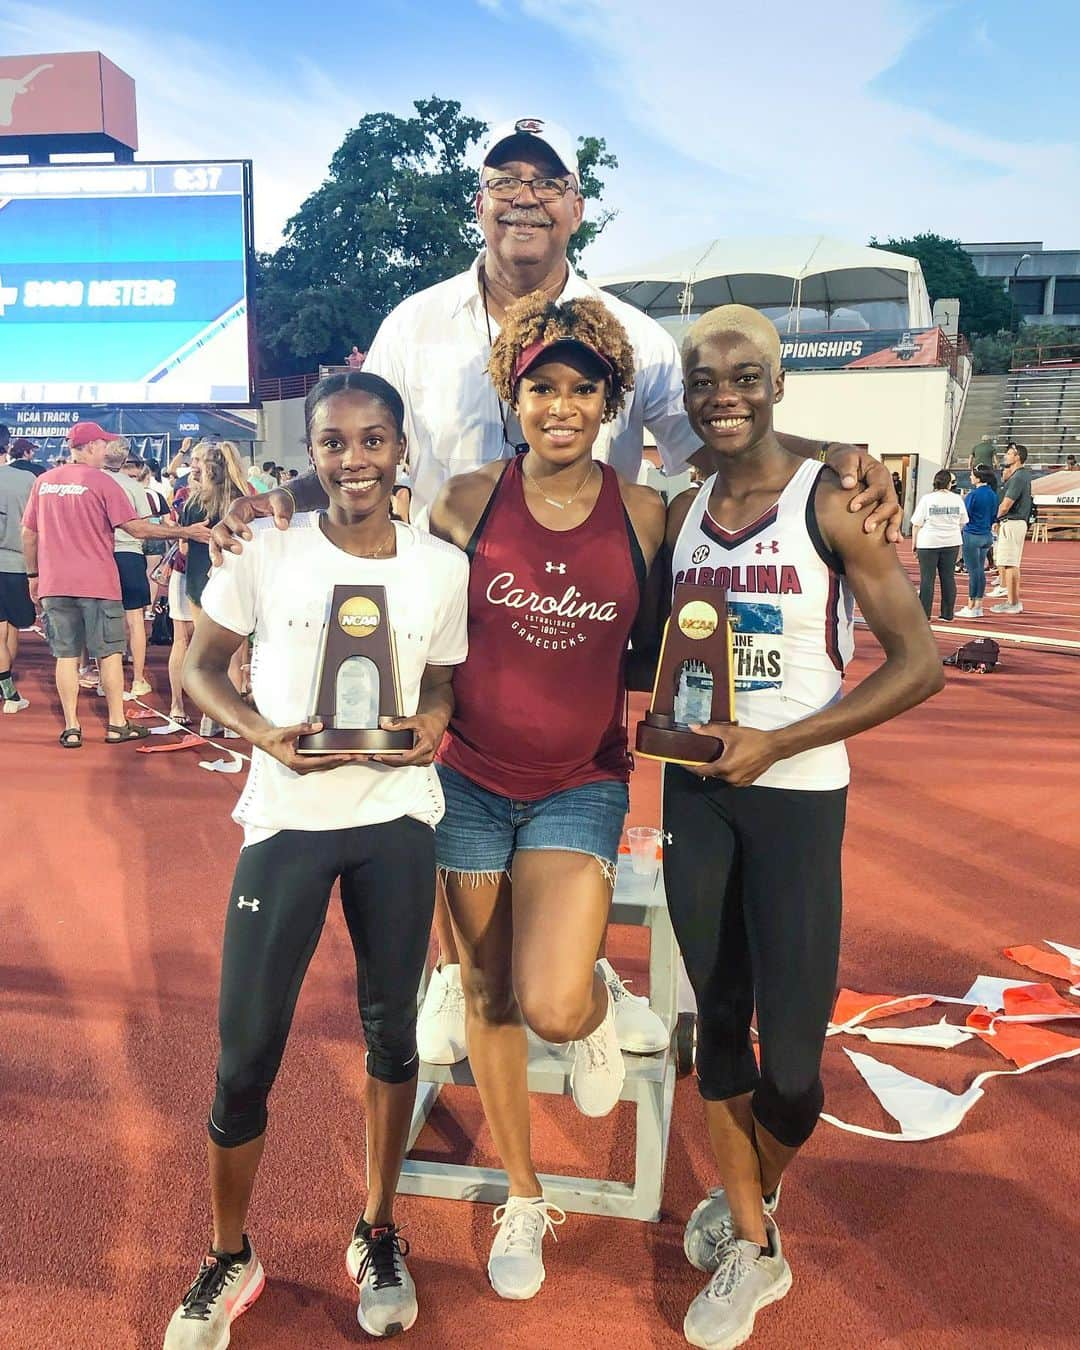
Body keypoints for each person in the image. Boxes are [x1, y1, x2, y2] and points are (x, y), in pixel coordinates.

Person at [212, 115, 902, 1067]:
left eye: (547, 183)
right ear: (480, 202)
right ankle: (457, 971)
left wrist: (834, 456)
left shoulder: (639, 340)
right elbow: (356, 440)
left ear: (578, 207)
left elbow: (723, 440)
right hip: (436, 624)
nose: (525, 197)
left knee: (542, 923)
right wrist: (267, 506)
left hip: (570, 633)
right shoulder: (414, 323)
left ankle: (575, 980)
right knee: (447, 806)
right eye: (506, 181)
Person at [633, 305, 942, 1349]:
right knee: (717, 1021)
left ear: (777, 384)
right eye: (701, 376)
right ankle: (756, 1242)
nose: (722, 391)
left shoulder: (835, 500)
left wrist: (785, 740)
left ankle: (748, 1187)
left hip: (798, 793)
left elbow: (918, 663)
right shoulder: (680, 513)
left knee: (796, 1067)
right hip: (697, 793)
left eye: (743, 373)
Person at [165, 371, 469, 1346]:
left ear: (399, 450)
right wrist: (261, 730)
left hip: (393, 817)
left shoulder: (439, 568)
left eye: (372, 441)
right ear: (314, 455)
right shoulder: (268, 552)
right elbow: (196, 670)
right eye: (333, 443)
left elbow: (445, 685)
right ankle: (228, 1254)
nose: (353, 461)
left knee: (393, 1039)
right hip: (289, 817)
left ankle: (377, 1229)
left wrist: (428, 721)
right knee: (245, 1049)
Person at [424, 293, 666, 1299]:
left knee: (552, 1004)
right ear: (511, 394)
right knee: (485, 994)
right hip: (468, 781)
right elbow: (421, 638)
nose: (560, 406)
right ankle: (523, 1197)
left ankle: (598, 1002)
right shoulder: (463, 501)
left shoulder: (646, 511)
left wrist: (852, 456)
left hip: (581, 781)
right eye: (541, 388)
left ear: (611, 399)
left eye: (582, 388)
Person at [20, 422, 209, 747]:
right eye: (103, 444)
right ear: (91, 446)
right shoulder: (101, 482)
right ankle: (116, 724)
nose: (107, 450)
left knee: (65, 657)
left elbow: (28, 533)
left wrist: (33, 576)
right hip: (97, 583)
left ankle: (71, 727)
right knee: (108, 655)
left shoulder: (44, 482)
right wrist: (186, 532)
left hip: (55, 583)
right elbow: (136, 529)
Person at [102, 440, 155, 696]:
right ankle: (137, 679)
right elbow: (144, 527)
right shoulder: (134, 487)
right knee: (135, 620)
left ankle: (95, 674)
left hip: (101, 556)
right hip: (130, 555)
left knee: (98, 616)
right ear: (125, 462)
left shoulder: (93, 482)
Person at [0, 451, 35, 712]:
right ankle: (8, 693)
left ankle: (7, 689)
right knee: (11, 627)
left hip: (13, 562)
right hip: (17, 565)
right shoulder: (26, 480)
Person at [910, 469, 967, 622]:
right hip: (951, 542)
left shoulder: (927, 499)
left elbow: (916, 524)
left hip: (928, 542)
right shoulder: (957, 499)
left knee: (927, 579)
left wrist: (914, 543)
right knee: (948, 578)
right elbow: (963, 522)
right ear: (949, 483)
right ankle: (948, 614)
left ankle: (925, 614)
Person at [990, 442, 1033, 615]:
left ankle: (1013, 602)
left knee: (1010, 563)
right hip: (1013, 522)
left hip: (1013, 522)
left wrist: (995, 517)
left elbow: (1006, 505)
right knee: (1007, 563)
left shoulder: (1018, 477)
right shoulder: (1018, 476)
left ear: (1017, 457)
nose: (1006, 455)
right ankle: (1011, 600)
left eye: (1009, 453)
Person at [956, 466, 999, 619]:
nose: (970, 477)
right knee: (980, 570)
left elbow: (964, 515)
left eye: (972, 475)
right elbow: (995, 515)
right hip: (986, 536)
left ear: (979, 477)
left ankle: (971, 605)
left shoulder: (973, 495)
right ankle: (978, 605)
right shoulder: (993, 494)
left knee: (974, 572)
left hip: (972, 535)